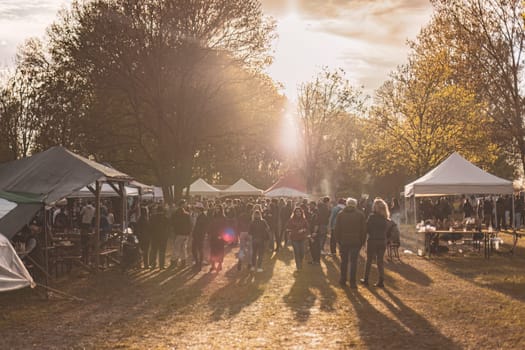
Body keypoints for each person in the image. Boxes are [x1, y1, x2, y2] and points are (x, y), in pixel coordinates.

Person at [335, 197, 366, 288]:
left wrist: (338, 240)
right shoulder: (360, 215)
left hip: (343, 241)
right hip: (356, 241)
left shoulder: (341, 214)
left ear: (347, 204)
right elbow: (363, 230)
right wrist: (362, 242)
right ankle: (352, 282)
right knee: (353, 262)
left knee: (344, 261)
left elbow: (337, 229)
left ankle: (343, 279)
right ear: (355, 205)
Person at [361, 198, 390, 288]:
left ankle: (366, 279)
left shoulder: (372, 217)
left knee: (369, 260)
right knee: (380, 261)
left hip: (373, 240)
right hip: (382, 240)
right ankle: (381, 280)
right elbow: (387, 231)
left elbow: (367, 229)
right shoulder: (386, 218)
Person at [286, 207, 309, 272]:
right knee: (296, 252)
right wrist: (291, 231)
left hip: (302, 238)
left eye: (299, 212)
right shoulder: (291, 220)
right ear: (295, 213)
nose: (298, 213)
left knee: (302, 252)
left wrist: (303, 230)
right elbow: (287, 228)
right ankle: (298, 265)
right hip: (294, 238)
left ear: (301, 213)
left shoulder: (304, 220)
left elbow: (307, 228)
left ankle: (300, 262)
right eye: (297, 212)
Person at [171, 201, 192, 268]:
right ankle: (183, 262)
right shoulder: (187, 214)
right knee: (183, 248)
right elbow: (190, 225)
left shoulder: (175, 213)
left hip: (178, 233)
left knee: (176, 248)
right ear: (182, 205)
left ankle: (174, 262)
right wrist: (188, 233)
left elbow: (173, 224)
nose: (186, 205)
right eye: (185, 204)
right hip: (185, 234)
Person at [149, 205, 169, 269]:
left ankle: (153, 265)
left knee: (154, 251)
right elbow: (168, 228)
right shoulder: (165, 218)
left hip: (154, 237)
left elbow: (150, 227)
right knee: (162, 251)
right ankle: (161, 265)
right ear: (163, 211)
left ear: (157, 210)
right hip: (163, 237)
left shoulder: (152, 217)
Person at [208, 204, 227, 273]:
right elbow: (210, 226)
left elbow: (224, 227)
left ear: (221, 209)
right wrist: (209, 233)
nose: (217, 210)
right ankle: (213, 265)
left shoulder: (223, 217)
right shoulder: (213, 217)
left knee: (220, 251)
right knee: (213, 251)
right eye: (216, 208)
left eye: (218, 208)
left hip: (220, 237)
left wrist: (221, 235)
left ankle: (220, 264)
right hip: (213, 236)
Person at [192, 202, 209, 271]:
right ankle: (197, 262)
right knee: (194, 249)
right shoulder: (198, 216)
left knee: (200, 249)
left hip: (200, 236)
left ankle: (199, 264)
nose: (195, 209)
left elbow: (204, 227)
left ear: (199, 209)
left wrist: (203, 235)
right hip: (196, 235)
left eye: (196, 208)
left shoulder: (203, 216)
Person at [237, 203, 253, 271]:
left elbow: (238, 225)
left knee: (242, 249)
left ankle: (240, 260)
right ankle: (249, 263)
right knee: (250, 249)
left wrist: (239, 233)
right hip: (249, 233)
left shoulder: (241, 215)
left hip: (242, 232)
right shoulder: (251, 216)